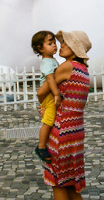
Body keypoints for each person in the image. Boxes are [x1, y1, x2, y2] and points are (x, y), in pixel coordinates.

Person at [41, 30, 91, 199]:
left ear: (75, 48)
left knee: (57, 181)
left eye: (66, 43)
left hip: (62, 129)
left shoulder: (66, 66)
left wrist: (43, 105)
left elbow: (42, 91)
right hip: (76, 130)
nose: (61, 45)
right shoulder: (83, 70)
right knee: (70, 184)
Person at [31, 31, 62, 162]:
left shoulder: (51, 60)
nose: (54, 45)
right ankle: (41, 147)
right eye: (50, 43)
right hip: (50, 95)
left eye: (54, 42)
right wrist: (56, 94)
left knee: (49, 119)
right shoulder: (47, 62)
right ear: (40, 48)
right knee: (48, 122)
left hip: (49, 95)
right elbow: (50, 79)